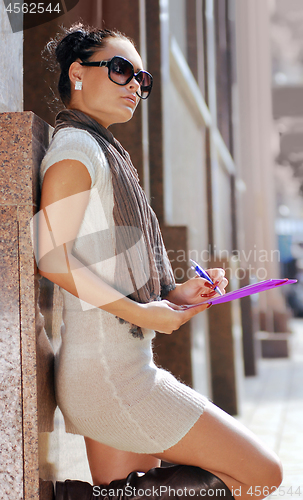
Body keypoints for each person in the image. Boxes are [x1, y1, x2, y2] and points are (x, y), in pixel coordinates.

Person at [37, 23, 283, 499]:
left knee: (132, 494)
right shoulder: (77, 149)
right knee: (262, 474)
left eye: (142, 79)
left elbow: (103, 263)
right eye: (121, 69)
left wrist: (173, 295)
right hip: (111, 377)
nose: (135, 85)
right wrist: (143, 313)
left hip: (112, 371)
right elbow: (51, 255)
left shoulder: (103, 151)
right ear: (78, 73)